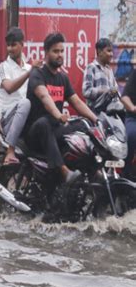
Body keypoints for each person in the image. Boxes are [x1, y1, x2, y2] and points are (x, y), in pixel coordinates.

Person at [25, 32, 98, 183]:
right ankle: (64, 172)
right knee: (44, 122)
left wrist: (95, 119)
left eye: (62, 51)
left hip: (54, 129)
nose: (60, 55)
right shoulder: (37, 74)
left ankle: (93, 170)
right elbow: (45, 97)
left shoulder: (62, 78)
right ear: (46, 53)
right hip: (35, 132)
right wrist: (58, 115)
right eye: (55, 51)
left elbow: (76, 102)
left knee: (84, 125)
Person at [0, 27, 42, 165]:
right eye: (8, 45)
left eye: (13, 44)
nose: (10, 48)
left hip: (23, 118)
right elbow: (9, 88)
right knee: (25, 103)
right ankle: (11, 150)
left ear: (22, 44)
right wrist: (30, 73)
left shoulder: (28, 68)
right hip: (7, 120)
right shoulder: (3, 67)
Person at [83, 38, 119, 110]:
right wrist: (105, 91)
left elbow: (115, 90)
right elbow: (86, 91)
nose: (111, 54)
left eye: (112, 51)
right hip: (95, 114)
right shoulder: (91, 68)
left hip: (109, 113)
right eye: (108, 51)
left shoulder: (109, 70)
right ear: (99, 52)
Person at [121, 68, 136, 178]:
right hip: (133, 118)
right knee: (130, 136)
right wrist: (133, 108)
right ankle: (125, 173)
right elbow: (124, 97)